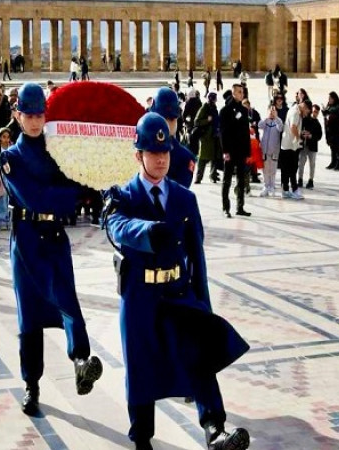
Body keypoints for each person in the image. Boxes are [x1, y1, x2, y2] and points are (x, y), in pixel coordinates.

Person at [103, 111, 250, 450]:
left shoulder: (185, 199)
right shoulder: (123, 196)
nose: (161, 159)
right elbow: (116, 228)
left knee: (197, 353)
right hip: (140, 296)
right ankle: (141, 438)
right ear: (138, 155)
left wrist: (205, 307)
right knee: (140, 369)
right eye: (153, 153)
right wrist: (147, 233)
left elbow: (197, 257)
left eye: (166, 152)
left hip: (177, 292)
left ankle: (215, 429)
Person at [0, 82, 104, 417]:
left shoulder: (58, 150)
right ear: (17, 115)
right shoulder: (10, 157)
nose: (34, 120)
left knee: (67, 298)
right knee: (29, 314)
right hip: (27, 237)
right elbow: (38, 196)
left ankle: (81, 361)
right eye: (28, 114)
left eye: (40, 113)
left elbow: (77, 180)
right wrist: (73, 194)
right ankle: (32, 384)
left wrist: (86, 185)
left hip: (54, 234)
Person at [148, 87, 196, 188]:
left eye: (170, 119)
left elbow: (178, 195)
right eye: (159, 118)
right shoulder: (139, 148)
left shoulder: (185, 158)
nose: (164, 123)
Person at [218, 85, 251, 217]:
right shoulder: (225, 111)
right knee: (227, 180)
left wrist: (248, 151)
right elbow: (223, 132)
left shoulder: (244, 110)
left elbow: (246, 132)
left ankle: (240, 207)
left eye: (242, 92)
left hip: (241, 150)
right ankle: (226, 208)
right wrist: (225, 151)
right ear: (233, 93)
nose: (242, 94)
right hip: (230, 151)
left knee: (241, 180)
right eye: (239, 92)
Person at [193, 92, 221, 184]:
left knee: (214, 158)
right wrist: (207, 120)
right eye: (213, 98)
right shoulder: (204, 108)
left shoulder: (214, 108)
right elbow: (197, 121)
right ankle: (198, 177)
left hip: (214, 136)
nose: (214, 100)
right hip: (206, 137)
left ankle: (213, 176)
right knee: (202, 158)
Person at [259, 104, 283, 197]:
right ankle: (266, 186)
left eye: (274, 111)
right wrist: (267, 117)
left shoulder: (278, 121)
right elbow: (259, 125)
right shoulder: (265, 121)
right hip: (265, 150)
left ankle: (272, 186)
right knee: (265, 170)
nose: (272, 113)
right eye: (270, 110)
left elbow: (280, 128)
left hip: (274, 151)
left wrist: (276, 117)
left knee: (273, 170)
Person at [298, 105, 323, 189]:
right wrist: (303, 133)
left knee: (312, 164)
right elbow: (300, 128)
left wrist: (311, 136)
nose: (314, 113)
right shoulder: (305, 120)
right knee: (301, 163)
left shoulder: (317, 124)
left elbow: (319, 136)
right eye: (313, 111)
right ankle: (300, 179)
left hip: (312, 147)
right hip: (304, 145)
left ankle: (311, 180)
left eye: (316, 112)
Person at [322, 92, 339, 171]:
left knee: (338, 148)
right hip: (330, 131)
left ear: (334, 98)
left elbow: (337, 116)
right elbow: (327, 116)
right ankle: (333, 162)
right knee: (332, 147)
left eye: (330, 98)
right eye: (328, 98)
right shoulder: (329, 106)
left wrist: (328, 113)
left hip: (338, 131)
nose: (329, 100)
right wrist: (325, 112)